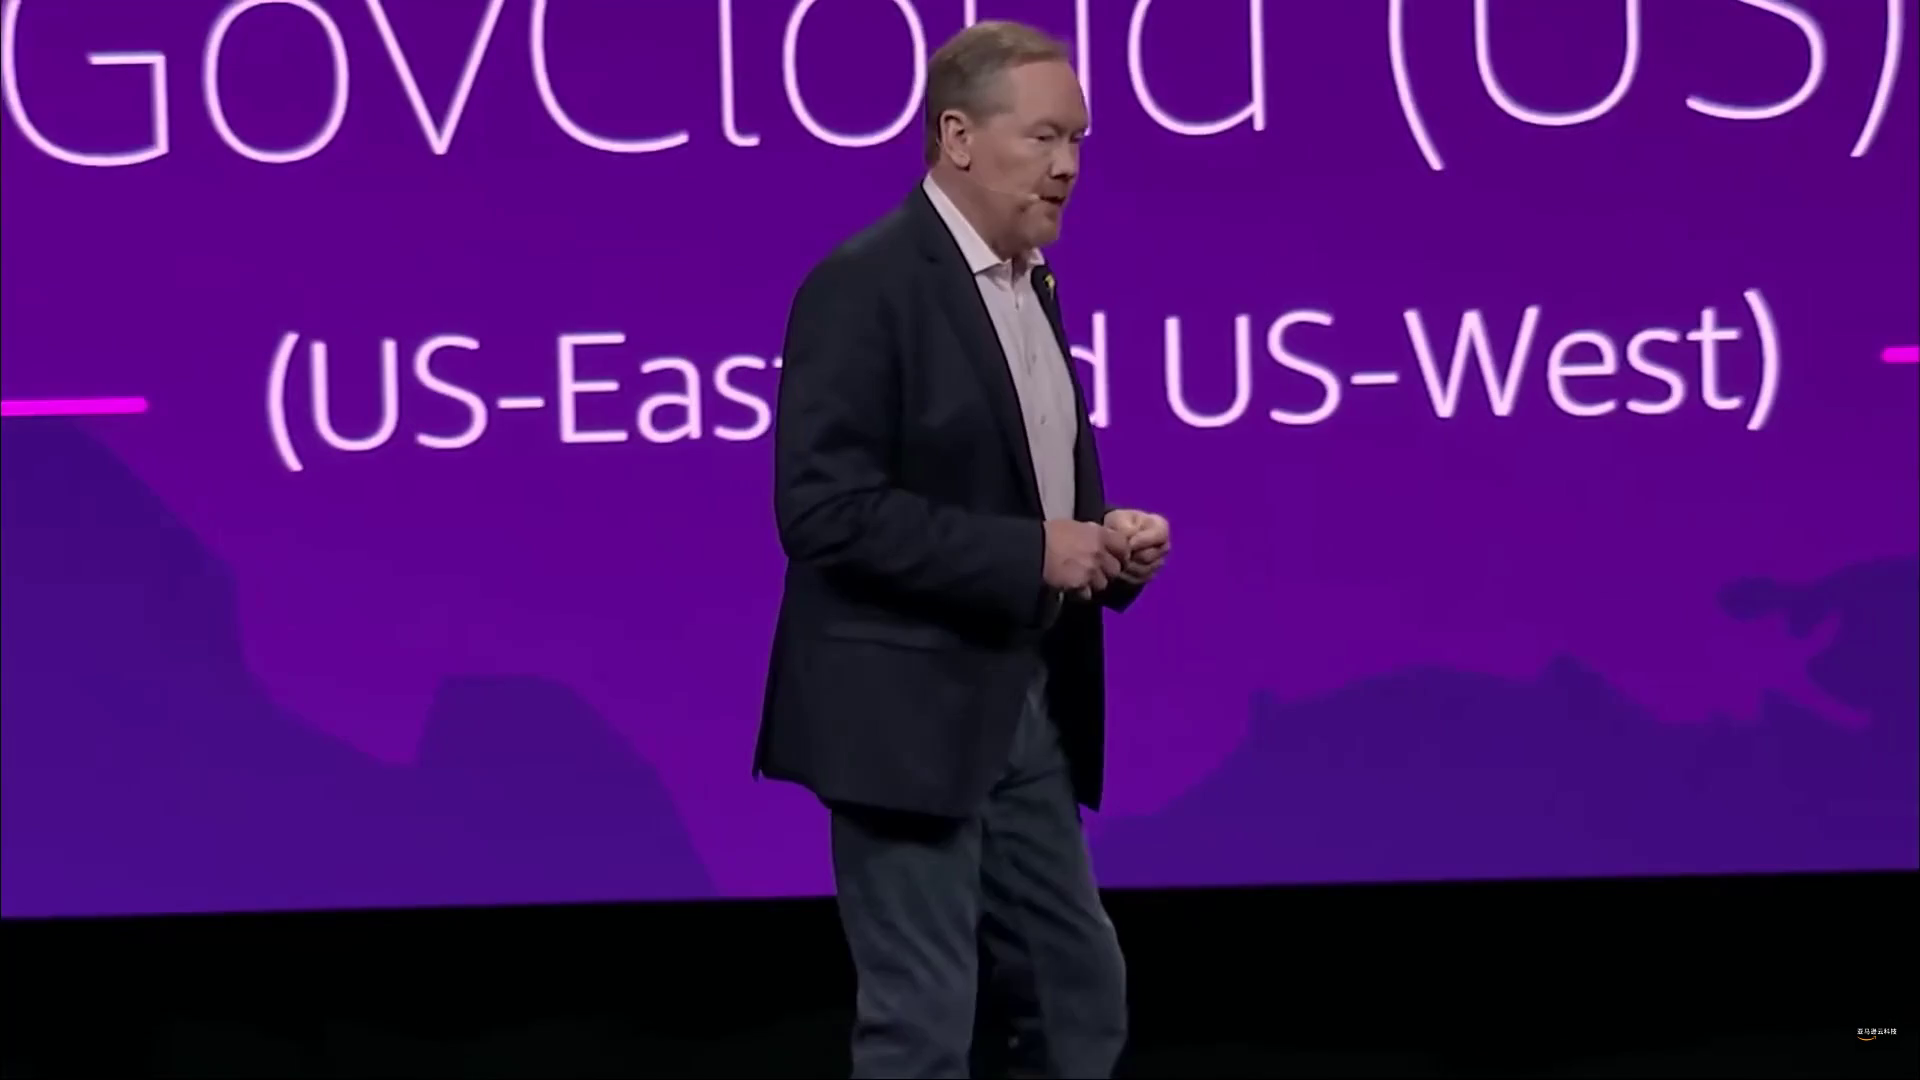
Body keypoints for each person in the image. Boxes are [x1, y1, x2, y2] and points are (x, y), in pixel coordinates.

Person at [754, 19, 1170, 1080]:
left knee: (1077, 992)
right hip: (901, 712)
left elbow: (1024, 477)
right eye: (1044, 137)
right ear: (958, 137)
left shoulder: (1032, 284)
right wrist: (1033, 553)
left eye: (1078, 140)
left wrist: (1103, 539)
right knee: (924, 1023)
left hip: (1020, 700)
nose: (1068, 165)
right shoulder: (866, 284)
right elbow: (825, 511)